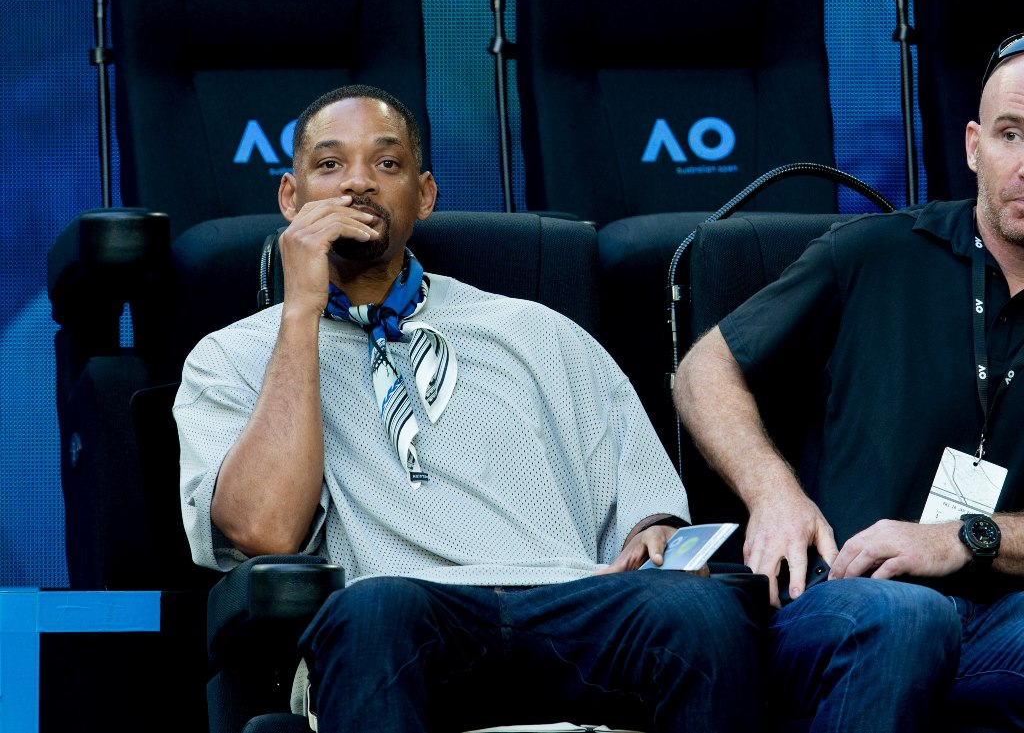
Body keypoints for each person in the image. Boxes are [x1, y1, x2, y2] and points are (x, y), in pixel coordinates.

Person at [174, 84, 762, 733]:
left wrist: (655, 528)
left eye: (387, 163)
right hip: (405, 614)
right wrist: (300, 313)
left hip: (571, 604)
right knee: (372, 611)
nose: (358, 183)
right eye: (330, 164)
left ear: (425, 195)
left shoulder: (537, 331)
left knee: (704, 611)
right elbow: (265, 531)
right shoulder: (232, 357)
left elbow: (646, 504)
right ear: (291, 198)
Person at [674, 34, 1024, 731]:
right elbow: (702, 370)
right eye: (1011, 134)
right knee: (908, 616)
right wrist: (772, 491)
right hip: (847, 600)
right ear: (972, 146)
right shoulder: (874, 253)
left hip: (1001, 618)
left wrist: (968, 536)